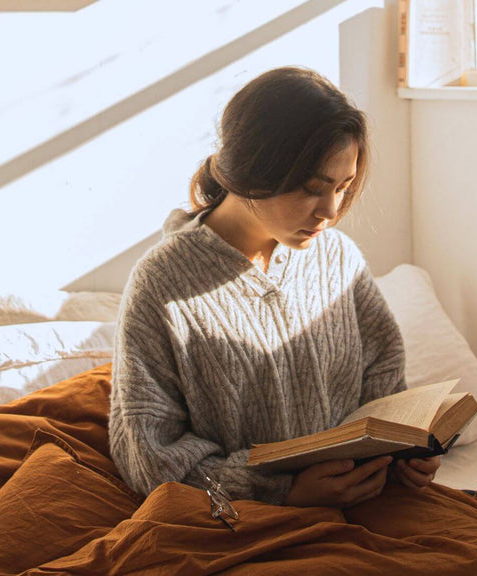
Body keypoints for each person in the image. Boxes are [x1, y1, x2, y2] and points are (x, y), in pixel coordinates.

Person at [109, 66, 440, 508]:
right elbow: (150, 457)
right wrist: (284, 492)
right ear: (253, 169)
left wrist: (407, 454)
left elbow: (385, 386)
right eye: (311, 188)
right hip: (252, 525)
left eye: (343, 187)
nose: (330, 210)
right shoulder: (164, 284)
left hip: (371, 504)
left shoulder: (337, 258)